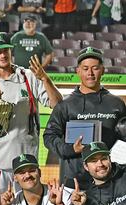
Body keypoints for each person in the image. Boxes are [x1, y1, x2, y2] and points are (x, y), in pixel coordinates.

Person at [0, 31, 61, 195]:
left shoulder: (29, 77)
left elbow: (58, 104)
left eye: (6, 50)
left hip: (27, 165)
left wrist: (45, 78)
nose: (2, 55)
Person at [44, 47, 126, 183]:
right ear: (78, 71)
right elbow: (49, 136)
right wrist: (70, 149)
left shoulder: (117, 104)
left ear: (103, 70)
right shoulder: (65, 105)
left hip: (110, 182)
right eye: (86, 68)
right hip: (74, 181)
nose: (90, 73)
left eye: (95, 68)